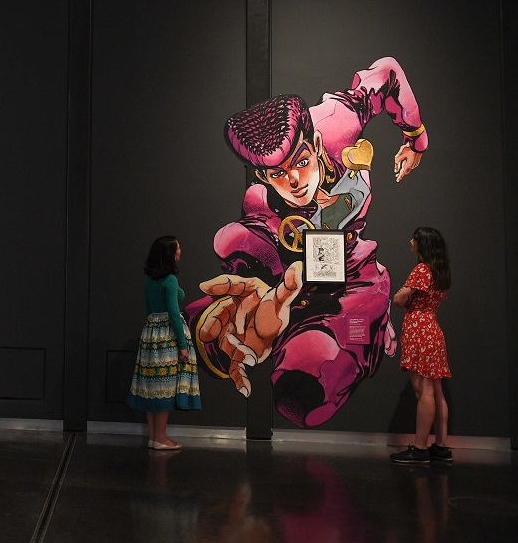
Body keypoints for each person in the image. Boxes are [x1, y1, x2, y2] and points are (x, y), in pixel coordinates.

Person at [184, 57, 428, 427]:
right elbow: (251, 261)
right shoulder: (260, 206)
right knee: (205, 325)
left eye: (299, 162)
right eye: (278, 174)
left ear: (314, 142)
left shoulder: (336, 123)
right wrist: (247, 313)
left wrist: (415, 136)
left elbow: (388, 73)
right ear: (264, 177)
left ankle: (367, 333)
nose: (294, 181)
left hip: (354, 278)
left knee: (304, 387)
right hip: (296, 291)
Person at [129, 236, 201, 450]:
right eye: (178, 248)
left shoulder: (150, 279)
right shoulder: (170, 279)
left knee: (152, 387)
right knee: (165, 386)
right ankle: (161, 437)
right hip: (167, 336)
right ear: (170, 254)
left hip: (150, 333)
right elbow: (173, 312)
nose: (181, 250)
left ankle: (153, 436)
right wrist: (182, 345)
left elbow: (149, 308)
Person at [390, 227, 453, 464]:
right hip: (433, 328)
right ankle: (442, 446)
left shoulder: (422, 269)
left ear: (422, 244)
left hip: (419, 327)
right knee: (436, 390)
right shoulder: (440, 271)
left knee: (423, 390)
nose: (410, 241)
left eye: (414, 239)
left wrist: (402, 297)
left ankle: (419, 448)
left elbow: (399, 298)